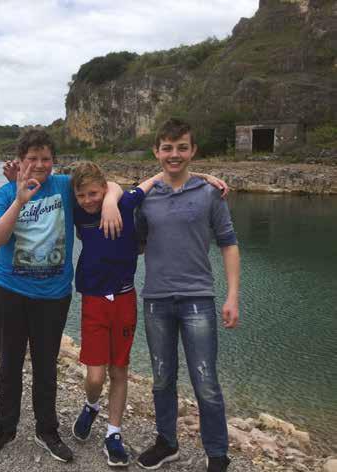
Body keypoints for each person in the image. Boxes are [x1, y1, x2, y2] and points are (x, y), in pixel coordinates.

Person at [0, 129, 124, 463]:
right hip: (9, 293)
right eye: (32, 159)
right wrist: (19, 200)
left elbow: (107, 184)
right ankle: (4, 429)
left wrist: (111, 201)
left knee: (46, 368)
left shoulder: (64, 186)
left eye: (45, 158)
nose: (40, 165)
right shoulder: (5, 193)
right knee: (8, 366)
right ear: (20, 161)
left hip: (53, 297)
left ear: (54, 161)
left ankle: (47, 430)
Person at [135, 118, 240, 472]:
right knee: (162, 377)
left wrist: (232, 296)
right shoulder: (146, 197)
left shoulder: (210, 193)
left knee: (205, 380)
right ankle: (167, 442)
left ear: (193, 151)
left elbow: (228, 243)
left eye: (182, 147)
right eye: (167, 148)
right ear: (156, 151)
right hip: (156, 299)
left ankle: (217, 453)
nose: (174, 155)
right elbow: (135, 242)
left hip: (198, 298)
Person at [70, 161, 162, 467]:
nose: (88, 200)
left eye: (94, 193)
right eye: (82, 195)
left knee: (119, 370)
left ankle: (113, 434)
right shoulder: (79, 212)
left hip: (124, 299)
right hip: (94, 300)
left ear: (103, 187)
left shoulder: (125, 204)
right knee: (95, 376)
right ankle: (91, 404)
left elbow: (154, 178)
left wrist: (206, 176)